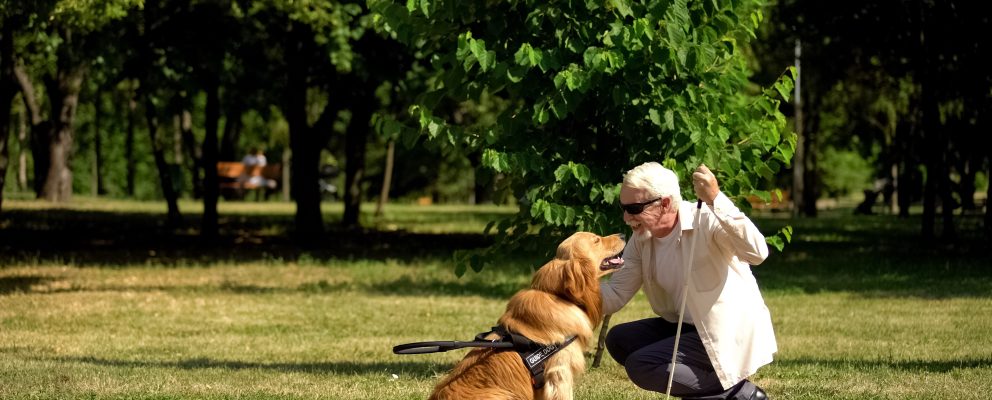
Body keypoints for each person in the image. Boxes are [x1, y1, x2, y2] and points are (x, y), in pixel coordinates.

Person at [601, 162, 775, 400]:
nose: (626, 217)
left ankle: (740, 393)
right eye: (623, 207)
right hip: (684, 327)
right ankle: (717, 393)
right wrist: (564, 292)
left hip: (724, 331)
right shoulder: (641, 239)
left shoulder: (706, 219)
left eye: (634, 208)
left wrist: (716, 199)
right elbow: (616, 293)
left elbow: (757, 252)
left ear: (664, 204)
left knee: (641, 366)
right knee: (620, 340)